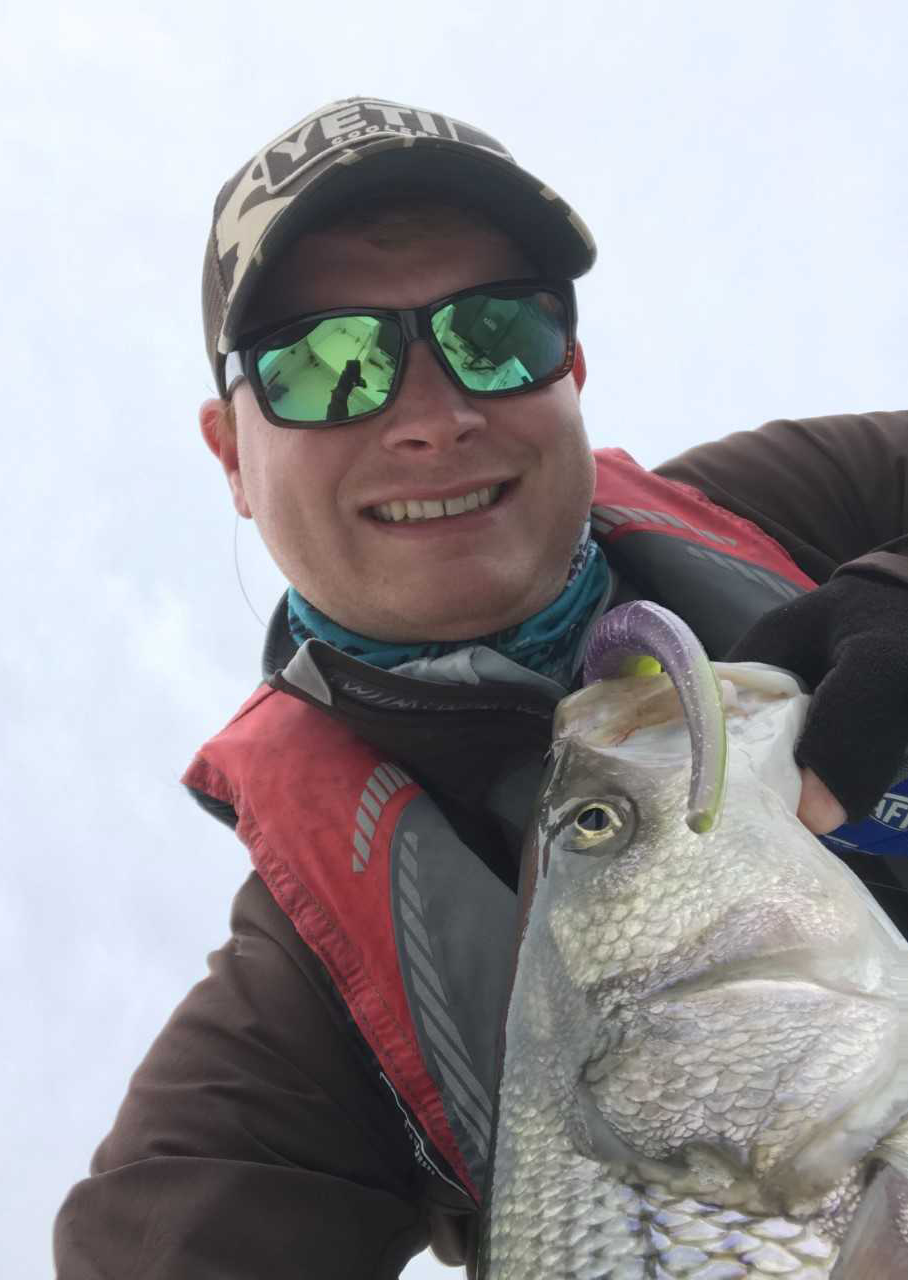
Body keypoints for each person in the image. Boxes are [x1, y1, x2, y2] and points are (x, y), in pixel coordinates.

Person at [53, 97, 908, 1279]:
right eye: (324, 361)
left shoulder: (800, 504)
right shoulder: (301, 1001)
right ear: (228, 453)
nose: (432, 415)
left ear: (571, 365)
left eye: (494, 331)